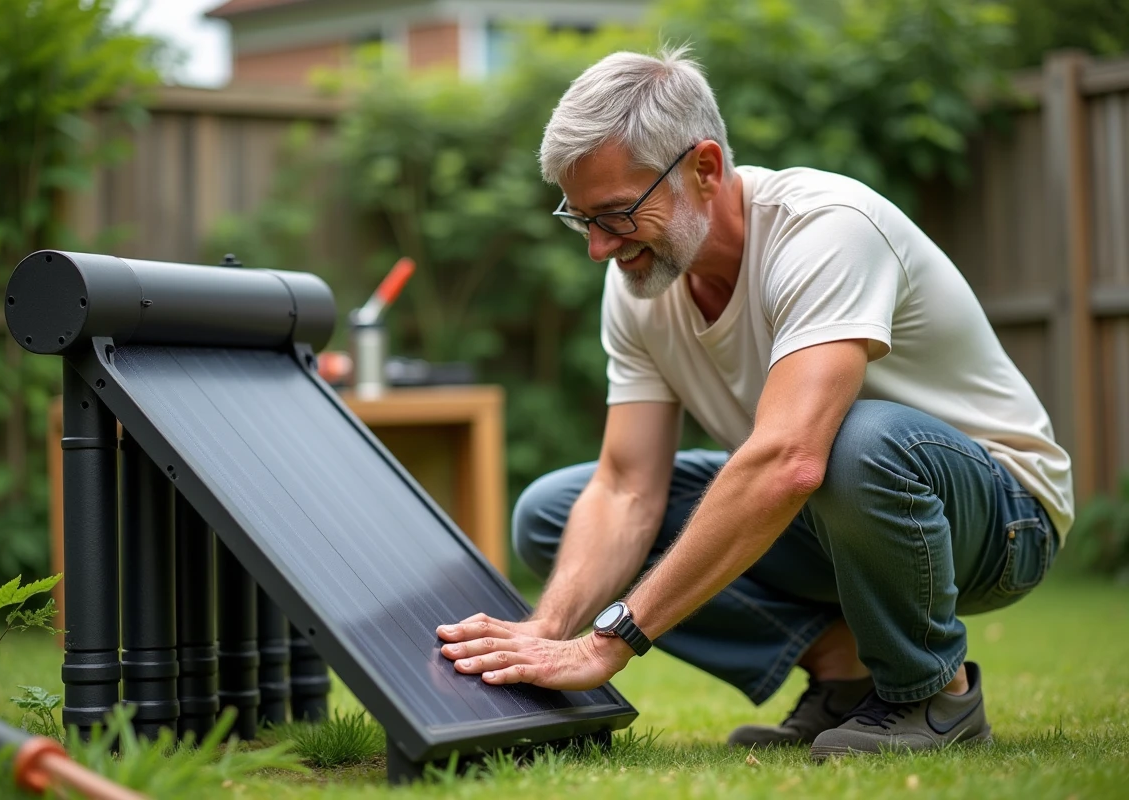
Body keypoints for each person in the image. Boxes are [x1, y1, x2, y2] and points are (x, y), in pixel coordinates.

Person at [435, 46, 1073, 760]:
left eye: (615, 215)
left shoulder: (825, 230)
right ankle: (845, 673)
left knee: (849, 442)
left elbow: (792, 460)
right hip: (833, 513)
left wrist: (614, 638)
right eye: (580, 219)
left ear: (704, 168)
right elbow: (624, 488)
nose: (596, 248)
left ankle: (933, 695)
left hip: (1001, 518)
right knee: (554, 511)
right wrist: (549, 631)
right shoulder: (641, 281)